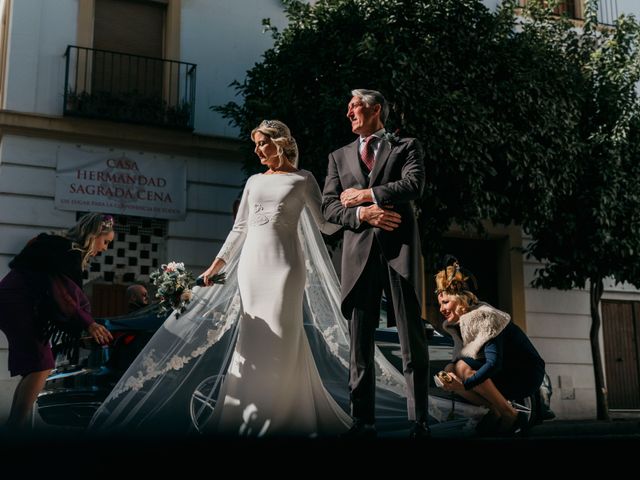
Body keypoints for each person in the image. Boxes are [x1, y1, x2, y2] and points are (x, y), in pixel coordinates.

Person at [194, 119, 351, 436]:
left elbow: (325, 224)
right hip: (252, 268)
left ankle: (280, 419)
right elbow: (240, 228)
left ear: (279, 143)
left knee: (282, 336)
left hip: (285, 268)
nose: (257, 150)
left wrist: (353, 208)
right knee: (253, 338)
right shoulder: (253, 181)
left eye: (262, 143)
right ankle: (250, 414)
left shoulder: (303, 180)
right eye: (255, 144)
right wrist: (215, 267)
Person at [322, 88, 430, 438]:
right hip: (358, 256)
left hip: (399, 252)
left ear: (375, 110)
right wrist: (363, 214)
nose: (349, 113)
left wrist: (368, 194)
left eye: (354, 106)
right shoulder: (338, 157)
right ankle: (362, 420)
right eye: (349, 107)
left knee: (411, 340)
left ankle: (420, 421)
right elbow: (329, 208)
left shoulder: (406, 146)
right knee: (360, 343)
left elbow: (414, 184)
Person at [0, 213, 114, 430]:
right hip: (18, 304)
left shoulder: (60, 247)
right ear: (93, 235)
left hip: (15, 303)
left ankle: (16, 425)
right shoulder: (67, 251)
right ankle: (16, 427)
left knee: (37, 366)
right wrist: (88, 323)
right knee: (42, 365)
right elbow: (61, 294)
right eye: (105, 241)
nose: (105, 248)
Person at [434, 260, 546, 435]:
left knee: (462, 367)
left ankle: (510, 414)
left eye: (446, 302)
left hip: (526, 372)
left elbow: (494, 363)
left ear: (459, 300)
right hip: (504, 371)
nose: (441, 308)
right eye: (440, 303)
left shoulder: (485, 317)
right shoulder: (460, 324)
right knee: (451, 369)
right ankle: (493, 410)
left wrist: (464, 385)